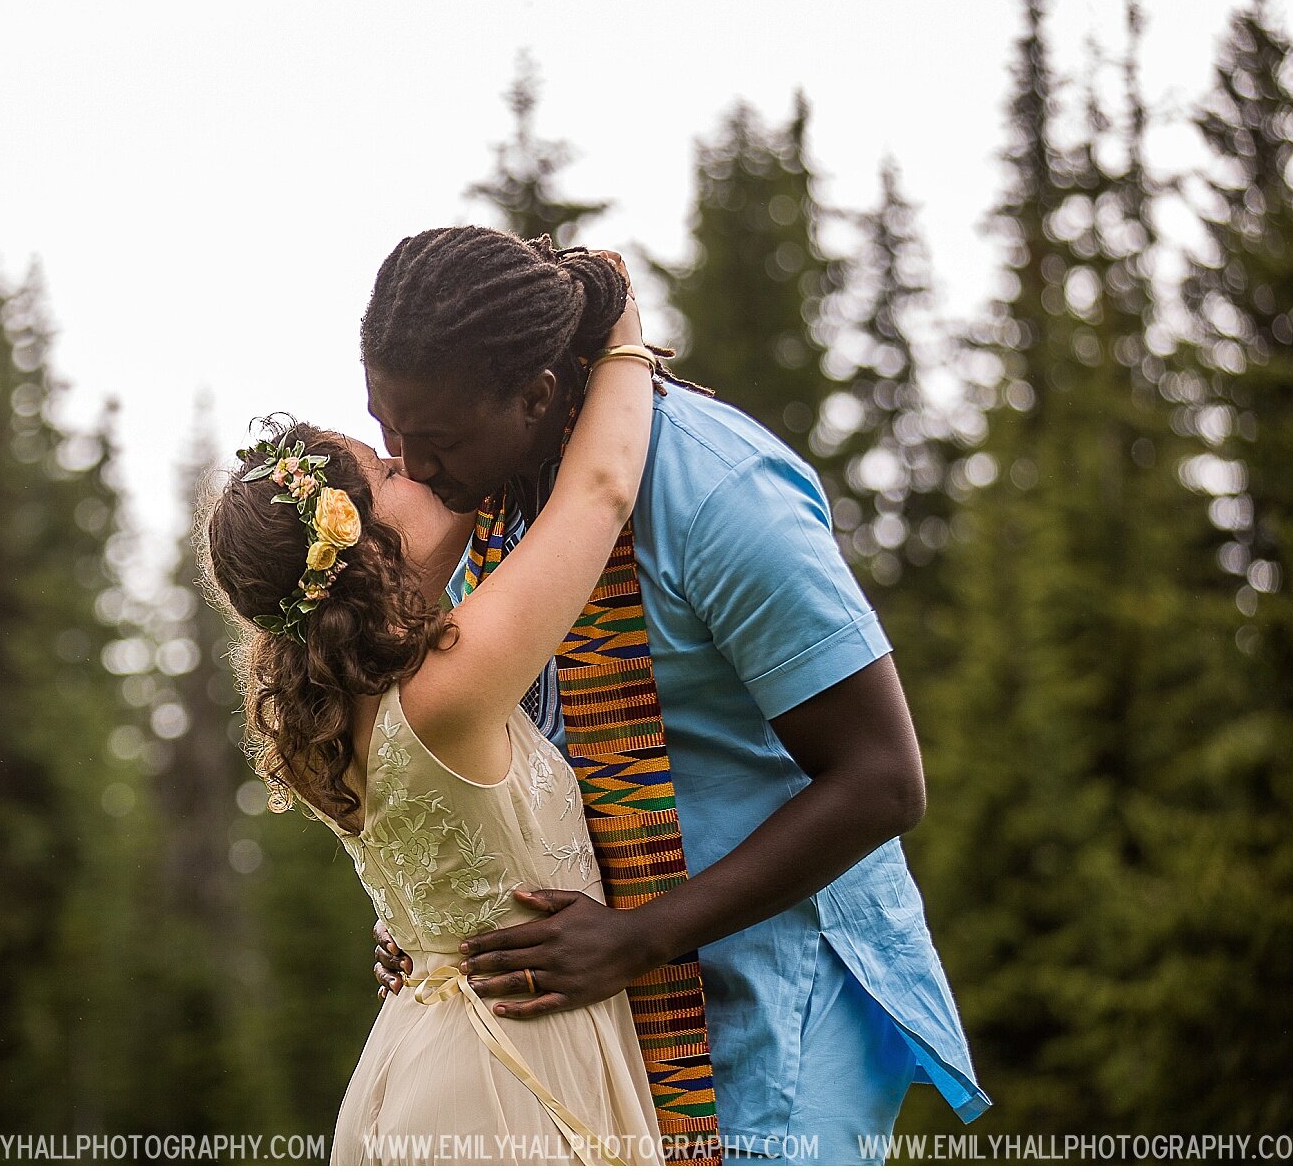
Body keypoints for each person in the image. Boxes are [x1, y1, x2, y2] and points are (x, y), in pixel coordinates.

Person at [360, 227, 989, 1167]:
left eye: (435, 442)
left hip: (781, 980)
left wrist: (642, 936)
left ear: (536, 397)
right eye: (388, 430)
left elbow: (884, 780)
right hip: (612, 991)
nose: (408, 468)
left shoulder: (719, 494)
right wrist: (435, 921)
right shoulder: (490, 502)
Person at [200, 286, 673, 1165]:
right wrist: (618, 332)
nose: (415, 466)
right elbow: (602, 491)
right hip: (504, 1086)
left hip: (421, 1058)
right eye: (386, 477)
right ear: (365, 557)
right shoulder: (443, 691)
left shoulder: (331, 717)